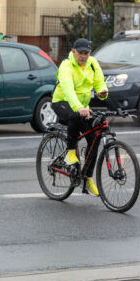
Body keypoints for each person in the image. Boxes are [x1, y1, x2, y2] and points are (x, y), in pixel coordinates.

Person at [52, 38, 108, 196]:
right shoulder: (66, 65)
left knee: (95, 136)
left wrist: (102, 92)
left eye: (86, 53)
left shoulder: (92, 63)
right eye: (80, 53)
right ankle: (70, 153)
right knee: (75, 116)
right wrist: (79, 108)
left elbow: (99, 82)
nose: (83, 56)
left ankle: (87, 179)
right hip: (62, 101)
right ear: (73, 51)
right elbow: (68, 89)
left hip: (83, 107)